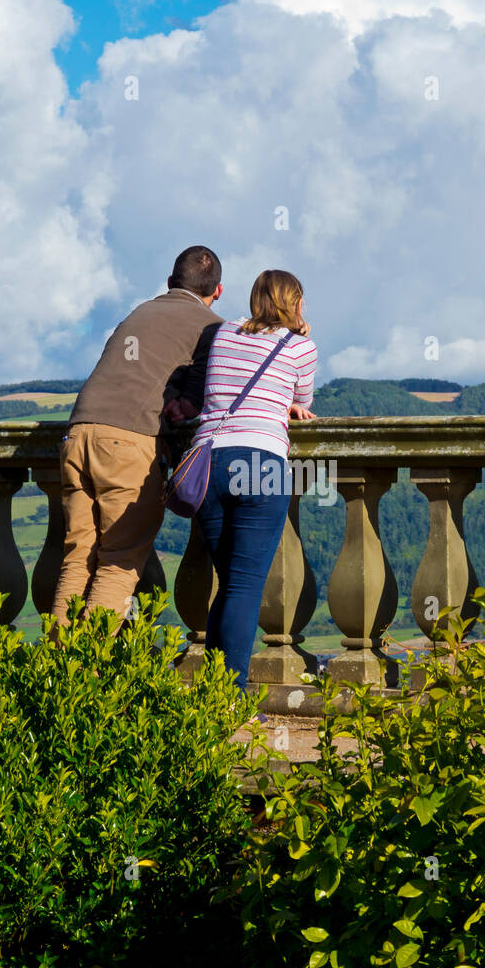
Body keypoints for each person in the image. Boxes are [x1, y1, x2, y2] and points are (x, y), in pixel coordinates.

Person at [51, 245, 223, 625]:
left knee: (78, 558)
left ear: (169, 283)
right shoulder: (211, 328)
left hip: (77, 434)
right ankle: (87, 673)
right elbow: (189, 406)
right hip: (130, 442)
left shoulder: (139, 313)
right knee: (118, 563)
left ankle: (57, 672)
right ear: (218, 291)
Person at [192, 269, 317, 693]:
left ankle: (212, 693)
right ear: (296, 304)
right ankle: (232, 694)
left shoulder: (223, 334)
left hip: (208, 461)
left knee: (228, 585)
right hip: (259, 462)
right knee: (244, 587)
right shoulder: (301, 347)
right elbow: (303, 400)